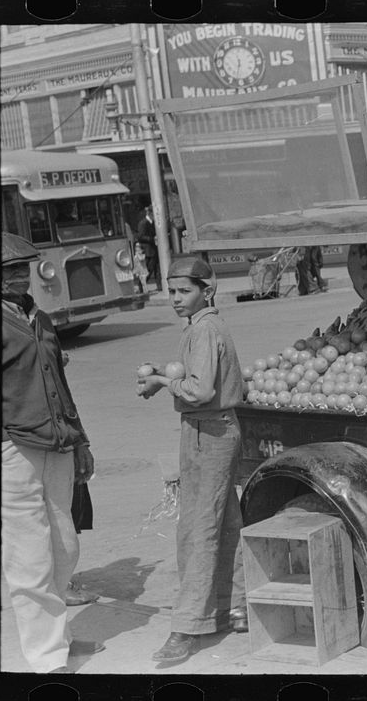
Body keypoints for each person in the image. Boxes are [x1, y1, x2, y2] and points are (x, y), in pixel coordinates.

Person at [1, 232, 105, 673]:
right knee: (29, 556)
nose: (20, 277)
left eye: (23, 269)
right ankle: (46, 659)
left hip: (58, 442)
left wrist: (79, 439)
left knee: (64, 546)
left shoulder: (38, 318)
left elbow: (58, 384)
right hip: (15, 448)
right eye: (9, 271)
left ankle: (55, 635)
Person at [136, 256, 248, 663]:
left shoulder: (205, 330)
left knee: (197, 531)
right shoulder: (205, 327)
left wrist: (162, 381)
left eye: (185, 291)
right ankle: (233, 605)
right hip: (218, 429)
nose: (176, 299)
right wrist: (167, 383)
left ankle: (187, 627)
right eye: (171, 291)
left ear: (208, 288)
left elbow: (199, 392)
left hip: (208, 430)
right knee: (225, 519)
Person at [136, 206, 160, 287]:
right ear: (150, 213)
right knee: (148, 269)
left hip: (153, 249)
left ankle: (159, 286)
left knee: (156, 268)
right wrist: (152, 239)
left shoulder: (153, 222)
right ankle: (141, 285)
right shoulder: (143, 223)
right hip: (147, 250)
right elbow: (140, 236)